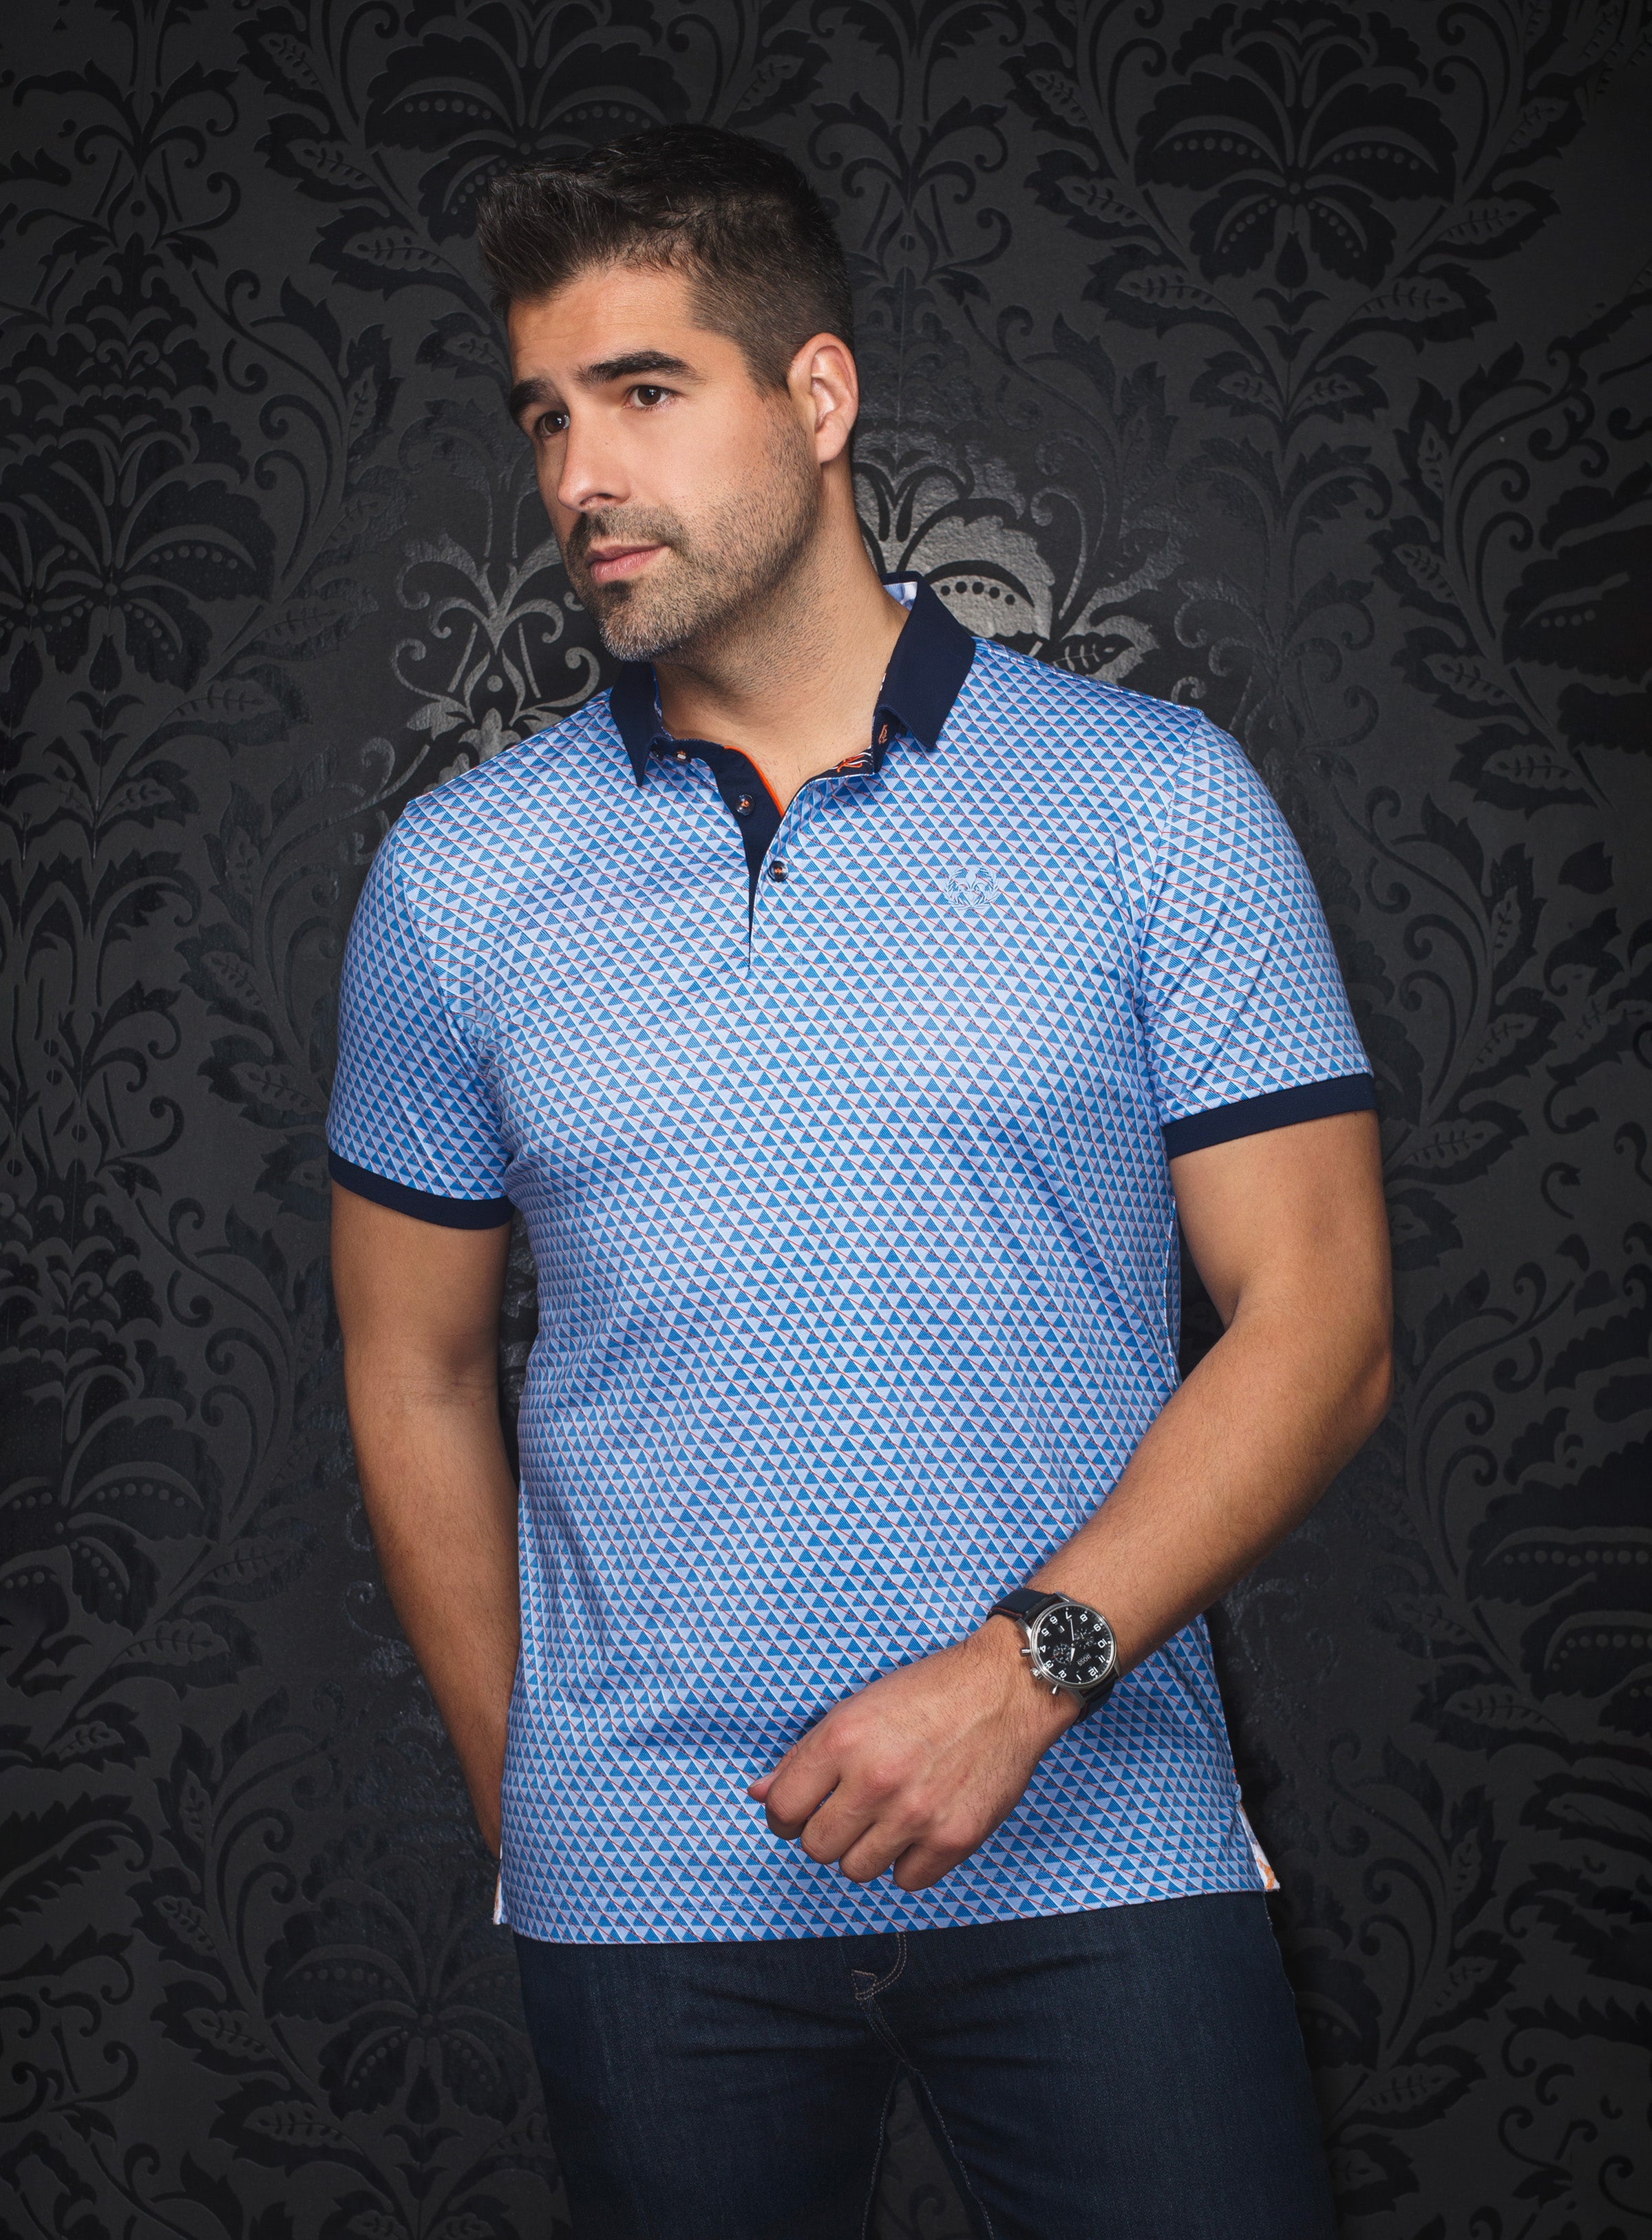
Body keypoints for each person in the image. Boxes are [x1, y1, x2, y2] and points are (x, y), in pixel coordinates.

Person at [327, 123, 1391, 2240]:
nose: (579, 477)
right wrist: (548, 1807)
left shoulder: (1154, 806)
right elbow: (411, 1368)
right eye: (544, 417)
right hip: (653, 1894)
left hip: (1097, 1840)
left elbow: (1325, 1325)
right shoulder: (456, 883)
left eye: (643, 392)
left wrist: (1024, 1676)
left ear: (816, 397)